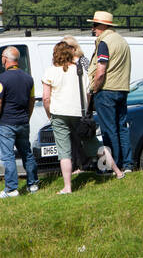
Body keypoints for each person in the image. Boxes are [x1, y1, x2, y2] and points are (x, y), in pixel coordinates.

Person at [42, 39, 119, 193]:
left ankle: (68, 187)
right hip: (79, 113)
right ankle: (118, 171)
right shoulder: (80, 71)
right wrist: (87, 111)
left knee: (64, 152)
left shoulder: (50, 71)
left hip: (59, 114)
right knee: (95, 145)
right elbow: (88, 93)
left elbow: (46, 98)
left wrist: (50, 114)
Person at [89, 11, 133, 175]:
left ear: (102, 26)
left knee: (109, 130)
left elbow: (101, 70)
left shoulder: (104, 42)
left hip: (106, 89)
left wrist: (95, 88)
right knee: (122, 127)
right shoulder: (122, 41)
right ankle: (127, 164)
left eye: (94, 25)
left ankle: (113, 165)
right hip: (122, 89)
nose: (93, 29)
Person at [0, 46, 39, 198]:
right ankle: (33, 184)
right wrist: (27, 117)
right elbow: (31, 101)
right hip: (23, 121)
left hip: (6, 123)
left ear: (5, 59)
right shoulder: (28, 78)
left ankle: (11, 189)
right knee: (27, 153)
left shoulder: (1, 79)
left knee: (8, 156)